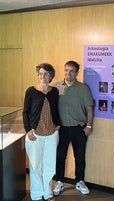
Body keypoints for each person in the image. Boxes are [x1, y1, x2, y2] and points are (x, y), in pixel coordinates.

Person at [53, 60, 94, 196]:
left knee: (80, 157)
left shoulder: (83, 89)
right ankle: (59, 181)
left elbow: (89, 108)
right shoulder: (56, 88)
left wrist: (89, 126)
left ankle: (79, 181)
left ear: (76, 72)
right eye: (66, 70)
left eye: (71, 71)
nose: (68, 73)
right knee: (60, 157)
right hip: (61, 129)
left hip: (79, 129)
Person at [23, 63, 60, 201]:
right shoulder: (31, 91)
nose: (42, 76)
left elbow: (57, 109)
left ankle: (48, 192)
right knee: (35, 164)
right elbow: (25, 112)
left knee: (49, 164)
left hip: (51, 132)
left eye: (45, 73)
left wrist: (58, 125)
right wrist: (28, 130)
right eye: (40, 73)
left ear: (51, 76)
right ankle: (37, 194)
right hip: (35, 134)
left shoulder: (54, 91)